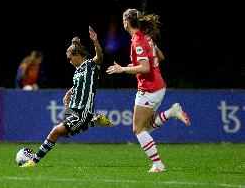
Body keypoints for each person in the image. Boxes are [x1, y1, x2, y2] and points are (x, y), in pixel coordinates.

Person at [106, 9, 190, 172]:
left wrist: (122, 69)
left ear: (127, 22)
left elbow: (145, 67)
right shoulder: (147, 37)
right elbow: (160, 57)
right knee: (147, 128)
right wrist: (134, 66)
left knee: (138, 130)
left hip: (149, 89)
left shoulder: (137, 40)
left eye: (123, 20)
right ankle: (171, 112)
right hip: (158, 87)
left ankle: (158, 165)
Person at [21, 26, 113, 167]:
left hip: (83, 110)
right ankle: (95, 121)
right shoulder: (77, 71)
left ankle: (33, 162)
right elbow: (78, 85)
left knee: (55, 132)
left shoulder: (90, 65)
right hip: (73, 108)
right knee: (65, 134)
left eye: (70, 59)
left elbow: (99, 57)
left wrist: (95, 42)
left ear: (78, 55)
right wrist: (69, 92)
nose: (70, 62)